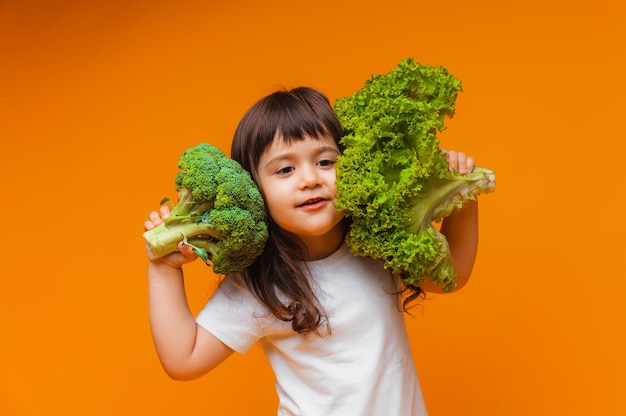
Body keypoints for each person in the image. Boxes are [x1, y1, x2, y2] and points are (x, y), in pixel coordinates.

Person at [144, 87, 479, 415]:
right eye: (285, 169)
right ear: (255, 190)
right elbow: (183, 359)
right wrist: (163, 268)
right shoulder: (262, 284)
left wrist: (460, 196)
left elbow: (451, 277)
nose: (309, 179)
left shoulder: (377, 240)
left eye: (324, 161)